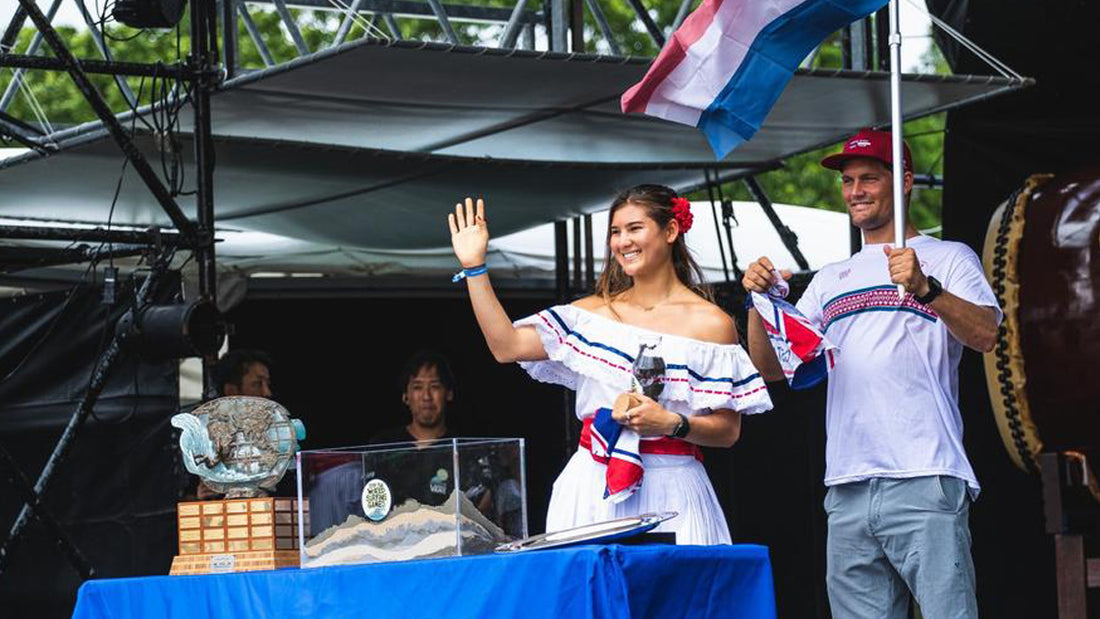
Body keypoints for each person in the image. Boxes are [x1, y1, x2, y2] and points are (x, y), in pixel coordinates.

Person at [742, 128, 1000, 619]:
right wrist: (759, 304)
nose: (855, 190)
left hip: (925, 472)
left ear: (903, 181)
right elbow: (771, 368)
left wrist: (927, 288)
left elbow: (986, 334)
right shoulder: (830, 277)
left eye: (868, 178)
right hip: (847, 482)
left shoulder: (949, 257)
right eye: (848, 180)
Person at [447, 185, 772, 544]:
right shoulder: (591, 315)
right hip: (593, 481)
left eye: (634, 228)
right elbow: (505, 345)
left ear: (671, 231)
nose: (622, 241)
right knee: (591, 597)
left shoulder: (712, 324)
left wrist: (671, 423)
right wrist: (474, 267)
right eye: (615, 232)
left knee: (677, 598)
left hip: (674, 482)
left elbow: (728, 431)